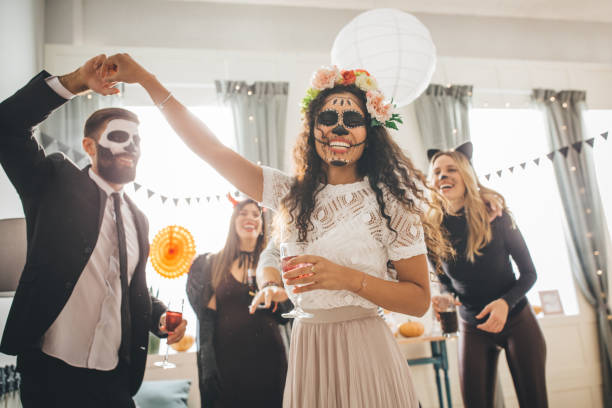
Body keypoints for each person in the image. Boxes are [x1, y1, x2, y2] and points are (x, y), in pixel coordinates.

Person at [104, 54, 452, 407]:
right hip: (309, 350)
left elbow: (418, 299)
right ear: (313, 128)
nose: (339, 129)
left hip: (366, 348)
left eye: (353, 119)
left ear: (370, 130)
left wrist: (346, 278)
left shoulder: (391, 205)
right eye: (328, 118)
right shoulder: (289, 194)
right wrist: (147, 79)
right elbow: (210, 149)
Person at [0, 55, 187, 408]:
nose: (131, 147)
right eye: (119, 137)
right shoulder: (53, 184)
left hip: (114, 382)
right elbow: (7, 125)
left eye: (137, 141)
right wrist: (74, 82)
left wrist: (159, 316)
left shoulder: (139, 218)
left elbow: (129, 290)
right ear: (89, 147)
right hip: (51, 379)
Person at [428, 143, 548, 408]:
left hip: (517, 320)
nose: (442, 176)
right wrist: (445, 298)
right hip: (472, 326)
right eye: (437, 172)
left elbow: (529, 273)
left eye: (451, 170)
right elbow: (446, 283)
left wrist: (505, 303)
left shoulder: (497, 216)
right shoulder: (432, 230)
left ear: (466, 175)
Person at [187, 198, 290, 407]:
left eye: (255, 214)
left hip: (269, 359)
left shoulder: (272, 265)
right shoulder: (212, 264)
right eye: (243, 213)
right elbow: (207, 320)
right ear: (233, 221)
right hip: (228, 361)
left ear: (262, 226)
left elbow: (286, 314)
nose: (250, 218)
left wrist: (280, 295)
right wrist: (207, 363)